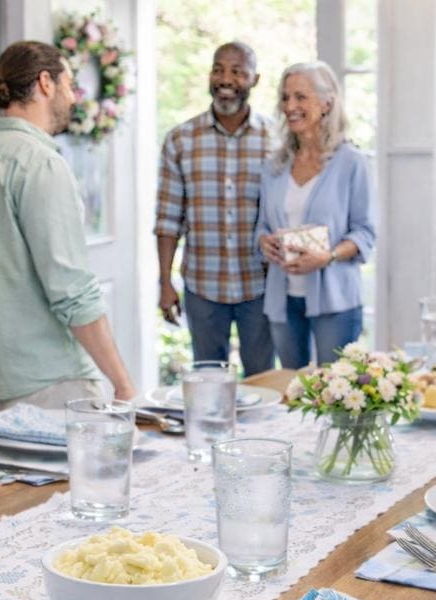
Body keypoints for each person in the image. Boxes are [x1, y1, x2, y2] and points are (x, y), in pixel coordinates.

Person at [0, 41, 135, 410]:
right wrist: (122, 382)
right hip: (42, 381)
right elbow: (72, 290)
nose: (74, 98)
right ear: (45, 83)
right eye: (70, 84)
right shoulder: (40, 163)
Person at [155, 42, 276, 376]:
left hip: (261, 286)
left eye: (238, 71)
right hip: (203, 286)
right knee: (208, 382)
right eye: (219, 69)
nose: (226, 78)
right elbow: (167, 219)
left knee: (264, 381)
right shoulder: (180, 139)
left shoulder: (277, 140)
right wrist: (165, 283)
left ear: (255, 79)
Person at [256, 61, 375, 369]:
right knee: (291, 390)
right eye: (285, 97)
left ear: (326, 103)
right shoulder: (274, 166)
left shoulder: (352, 162)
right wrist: (263, 242)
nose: (290, 106)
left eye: (300, 97)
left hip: (336, 300)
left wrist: (329, 256)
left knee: (336, 391)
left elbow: (365, 233)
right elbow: (264, 225)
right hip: (282, 299)